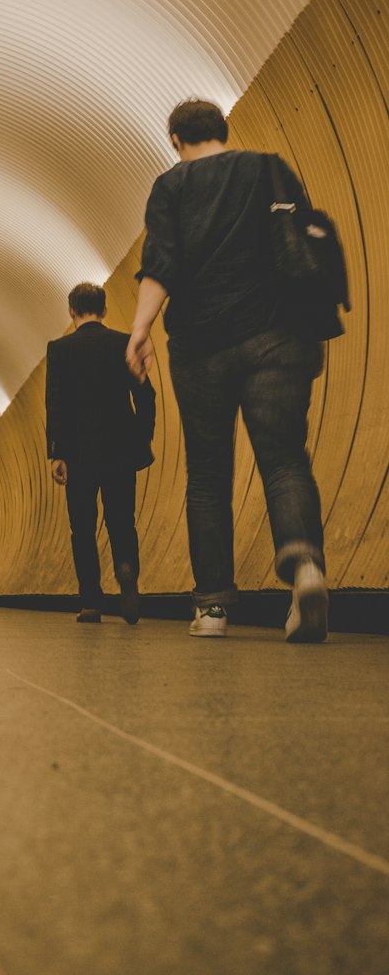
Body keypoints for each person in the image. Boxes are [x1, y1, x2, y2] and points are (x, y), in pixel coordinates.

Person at [126, 97, 330, 642]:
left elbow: (161, 264)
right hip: (277, 337)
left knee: (208, 477)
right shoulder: (269, 167)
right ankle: (305, 569)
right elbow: (302, 244)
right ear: (223, 130)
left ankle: (212, 610)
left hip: (201, 350)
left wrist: (141, 328)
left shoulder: (170, 187)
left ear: (175, 140)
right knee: (285, 459)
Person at [46, 282, 156, 623]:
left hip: (79, 453)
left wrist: (57, 453)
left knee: (82, 526)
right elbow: (147, 396)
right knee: (121, 520)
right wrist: (140, 438)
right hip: (120, 449)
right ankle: (126, 569)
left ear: (71, 311)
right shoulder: (123, 343)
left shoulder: (59, 350)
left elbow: (55, 405)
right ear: (104, 310)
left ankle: (91, 601)